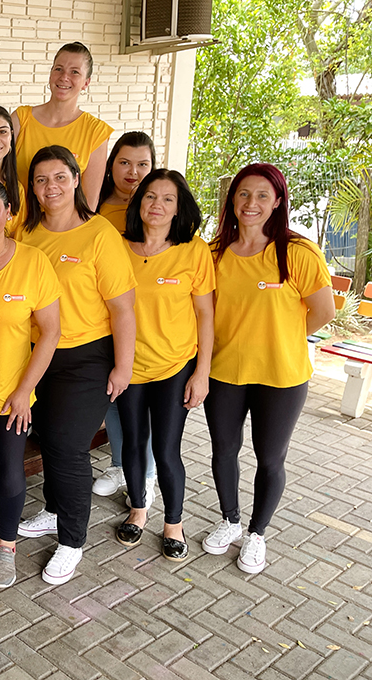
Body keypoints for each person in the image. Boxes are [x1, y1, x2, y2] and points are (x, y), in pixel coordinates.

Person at [203, 163, 334, 574]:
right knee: (224, 451)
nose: (251, 203)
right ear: (232, 200)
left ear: (277, 202)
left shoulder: (297, 252)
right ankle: (230, 521)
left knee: (270, 458)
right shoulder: (213, 254)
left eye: (262, 195)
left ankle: (257, 534)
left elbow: (324, 311)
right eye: (243, 194)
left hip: (281, 376)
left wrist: (282, 338)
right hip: (224, 373)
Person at [14, 146, 136, 585]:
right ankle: (52, 509)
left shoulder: (99, 233)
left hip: (86, 355)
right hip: (35, 355)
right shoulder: (27, 234)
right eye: (42, 180)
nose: (51, 187)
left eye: (60, 178)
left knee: (67, 447)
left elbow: (123, 307)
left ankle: (71, 540)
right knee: (49, 438)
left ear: (76, 179)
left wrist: (124, 366)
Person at [0, 178, 61, 588]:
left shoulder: (33, 261)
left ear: (8, 213)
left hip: (10, 393)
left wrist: (24, 391)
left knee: (9, 470)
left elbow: (51, 331)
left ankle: (7, 544)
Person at [113, 169, 215, 562]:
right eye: (150, 197)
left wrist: (201, 372)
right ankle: (138, 508)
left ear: (179, 208)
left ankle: (174, 522)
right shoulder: (118, 246)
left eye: (167, 199)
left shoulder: (193, 251)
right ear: (139, 203)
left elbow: (206, 314)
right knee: (133, 443)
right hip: (129, 366)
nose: (157, 205)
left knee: (167, 449)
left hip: (174, 365)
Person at [92, 131, 158, 500]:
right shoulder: (97, 207)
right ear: (110, 165)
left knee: (140, 406)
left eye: (142, 164)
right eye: (124, 162)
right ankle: (119, 465)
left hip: (147, 324)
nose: (133, 172)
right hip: (103, 323)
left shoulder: (158, 206)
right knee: (114, 398)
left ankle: (145, 474)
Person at [11, 42, 113, 210]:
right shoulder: (21, 119)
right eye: (58, 69)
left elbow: (89, 202)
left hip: (63, 231)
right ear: (51, 73)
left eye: (74, 72)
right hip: (17, 228)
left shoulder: (96, 132)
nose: (64, 77)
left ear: (86, 83)